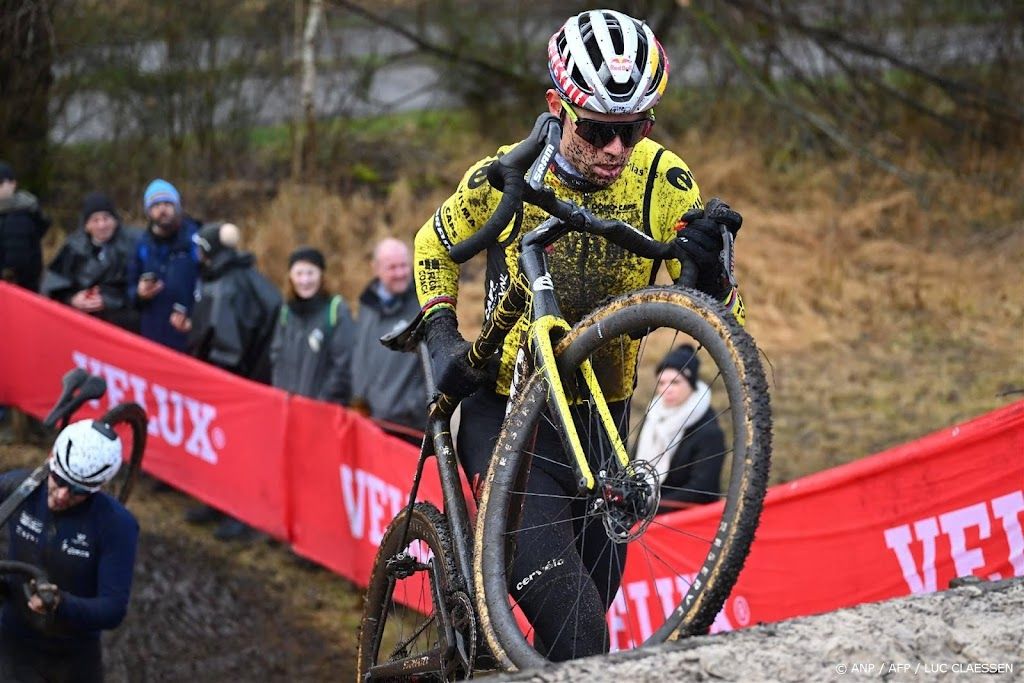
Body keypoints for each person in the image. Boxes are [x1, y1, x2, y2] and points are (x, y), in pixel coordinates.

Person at [412, 10, 745, 661]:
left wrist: (707, 276)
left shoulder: (662, 180)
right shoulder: (504, 174)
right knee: (579, 622)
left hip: (603, 424)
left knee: (587, 630)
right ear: (556, 106)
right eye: (597, 130)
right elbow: (432, 246)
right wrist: (440, 333)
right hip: (509, 417)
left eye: (634, 129)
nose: (616, 149)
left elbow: (729, 321)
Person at [0, 420, 139, 683]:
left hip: (73, 656)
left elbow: (112, 609)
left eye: (78, 491)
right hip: (13, 641)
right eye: (59, 480)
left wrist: (61, 603)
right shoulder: (19, 488)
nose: (62, 495)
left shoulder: (117, 525)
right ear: (52, 460)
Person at [172, 221, 281, 541]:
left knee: (236, 447)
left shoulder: (229, 283)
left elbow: (227, 341)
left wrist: (220, 376)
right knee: (222, 445)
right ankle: (216, 501)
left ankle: (240, 513)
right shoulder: (232, 277)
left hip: (234, 381)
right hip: (242, 376)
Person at [634, 345, 726, 514]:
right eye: (661, 383)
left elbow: (702, 490)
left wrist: (649, 508)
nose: (666, 390)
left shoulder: (710, 432)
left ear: (691, 384)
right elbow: (632, 463)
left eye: (675, 382)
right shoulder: (652, 417)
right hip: (642, 514)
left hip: (688, 521)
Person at [351, 238, 427, 434]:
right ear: (375, 268)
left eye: (403, 266)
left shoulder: (422, 305)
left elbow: (437, 364)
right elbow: (360, 354)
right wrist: (359, 397)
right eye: (392, 267)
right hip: (371, 422)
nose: (400, 273)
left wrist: (412, 407)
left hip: (409, 425)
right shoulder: (367, 306)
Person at [41, 192, 141, 332]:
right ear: (87, 225)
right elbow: (53, 287)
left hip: (120, 323)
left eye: (106, 218)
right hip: (80, 323)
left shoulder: (133, 244)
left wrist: (108, 301)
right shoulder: (73, 247)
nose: (102, 225)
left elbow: (138, 290)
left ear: (115, 221)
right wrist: (73, 300)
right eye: (95, 220)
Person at [270, 246, 355, 405]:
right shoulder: (286, 311)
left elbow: (343, 366)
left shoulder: (336, 310)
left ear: (321, 275)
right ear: (290, 276)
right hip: (289, 407)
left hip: (322, 410)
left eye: (310, 273)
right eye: (299, 274)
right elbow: (277, 359)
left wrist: (321, 402)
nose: (305, 280)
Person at [126, 179, 201, 351]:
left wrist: (194, 319)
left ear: (177, 207)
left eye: (167, 203)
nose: (162, 210)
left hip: (189, 336)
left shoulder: (195, 241)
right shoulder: (141, 246)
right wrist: (139, 294)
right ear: (148, 211)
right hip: (152, 337)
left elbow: (208, 286)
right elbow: (129, 288)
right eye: (156, 205)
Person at [0, 160, 51, 291]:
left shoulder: (22, 215)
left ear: (13, 184)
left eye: (0, 183)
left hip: (17, 291)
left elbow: (18, 263)